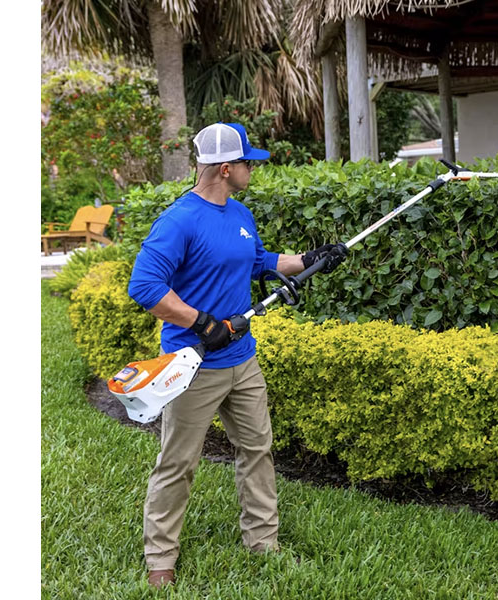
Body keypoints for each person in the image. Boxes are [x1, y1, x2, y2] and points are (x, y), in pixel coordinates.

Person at [127, 122, 347, 588]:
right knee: (178, 463)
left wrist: (310, 259)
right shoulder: (179, 220)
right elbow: (144, 287)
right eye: (248, 162)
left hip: (242, 360)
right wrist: (203, 323)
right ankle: (160, 560)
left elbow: (260, 261)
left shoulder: (240, 214)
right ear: (225, 168)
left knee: (257, 450)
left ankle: (263, 543)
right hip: (193, 363)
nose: (253, 169)